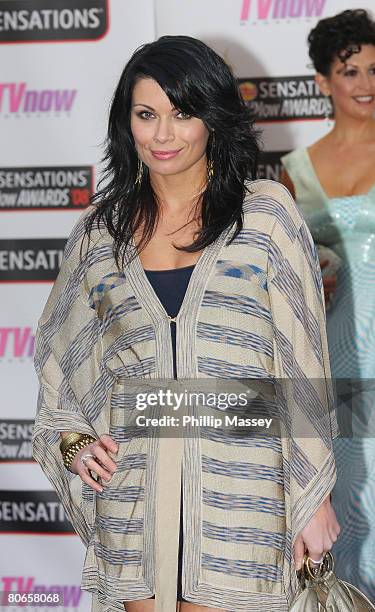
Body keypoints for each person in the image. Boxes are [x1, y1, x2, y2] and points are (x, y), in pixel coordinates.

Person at [33, 35, 339, 612]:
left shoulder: (266, 216)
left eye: (183, 113)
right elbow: (58, 362)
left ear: (213, 118)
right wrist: (72, 442)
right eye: (146, 115)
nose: (164, 134)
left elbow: (301, 364)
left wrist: (314, 496)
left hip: (243, 502)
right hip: (134, 505)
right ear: (128, 124)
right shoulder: (100, 237)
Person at [281, 9, 375, 600]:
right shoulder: (293, 173)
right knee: (347, 504)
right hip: (336, 362)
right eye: (350, 71)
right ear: (322, 81)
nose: (366, 82)